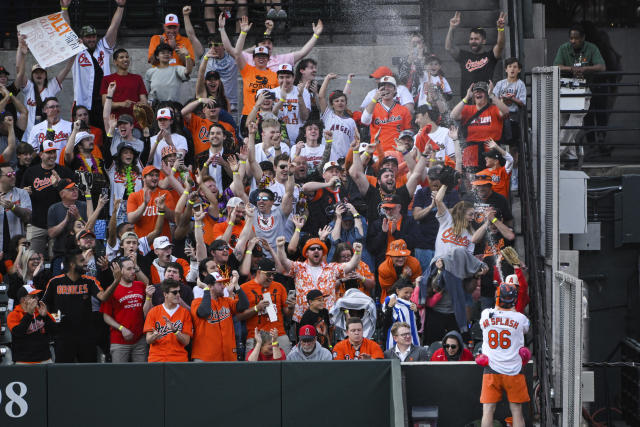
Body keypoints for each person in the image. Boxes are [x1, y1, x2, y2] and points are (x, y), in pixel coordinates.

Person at [42, 249, 118, 362]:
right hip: (63, 336)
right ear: (72, 264)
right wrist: (50, 317)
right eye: (82, 261)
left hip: (86, 336)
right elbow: (44, 304)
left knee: (88, 372)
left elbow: (103, 297)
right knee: (63, 372)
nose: (86, 263)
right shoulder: (54, 282)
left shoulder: (90, 281)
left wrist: (116, 280)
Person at [62, 0, 126, 126]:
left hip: (103, 101)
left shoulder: (103, 47)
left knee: (105, 133)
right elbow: (66, 29)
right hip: (83, 102)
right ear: (82, 37)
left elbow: (114, 27)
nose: (91, 39)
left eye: (93, 36)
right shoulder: (76, 49)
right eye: (87, 37)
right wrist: (64, 8)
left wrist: (120, 6)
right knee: (81, 134)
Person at [477, 282, 531, 427]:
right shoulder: (520, 318)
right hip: (514, 369)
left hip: (491, 369)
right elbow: (526, 328)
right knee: (517, 410)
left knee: (488, 410)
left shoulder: (486, 314)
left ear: (497, 298)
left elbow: (483, 324)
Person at [277, 236, 363, 326]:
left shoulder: (332, 268)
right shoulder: (298, 267)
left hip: (326, 319)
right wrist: (280, 247)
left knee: (327, 340)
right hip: (302, 318)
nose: (316, 250)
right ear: (306, 252)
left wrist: (357, 252)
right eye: (312, 248)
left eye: (319, 248)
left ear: (323, 252)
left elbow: (351, 265)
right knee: (303, 340)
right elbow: (284, 261)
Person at [553, 24, 606, 160]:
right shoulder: (564, 48)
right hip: (566, 88)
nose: (573, 41)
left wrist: (585, 69)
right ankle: (571, 157)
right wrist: (571, 69)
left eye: (576, 38)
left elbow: (601, 67)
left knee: (575, 120)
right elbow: (556, 66)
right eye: (571, 38)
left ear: (583, 38)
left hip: (584, 88)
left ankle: (556, 153)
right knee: (563, 122)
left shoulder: (591, 48)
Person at [20, 139, 73, 257]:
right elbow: (21, 195)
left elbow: (73, 196)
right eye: (49, 152)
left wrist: (59, 184)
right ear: (41, 154)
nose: (52, 155)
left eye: (54, 152)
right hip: (37, 223)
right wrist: (24, 193)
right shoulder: (31, 171)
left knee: (58, 259)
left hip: (59, 224)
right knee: (31, 258)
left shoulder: (64, 172)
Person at [14, 36, 72, 142]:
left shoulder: (51, 87)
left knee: (48, 153)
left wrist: (74, 53)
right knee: (28, 157)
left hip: (48, 132)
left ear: (45, 75)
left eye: (41, 72)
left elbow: (67, 69)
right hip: (29, 134)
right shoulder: (28, 87)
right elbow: (19, 70)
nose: (39, 74)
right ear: (32, 75)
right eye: (36, 72)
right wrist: (21, 52)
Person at [221, 16, 324, 73]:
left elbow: (302, 52)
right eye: (264, 43)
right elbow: (231, 50)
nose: (267, 45)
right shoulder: (249, 59)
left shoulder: (281, 59)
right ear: (256, 47)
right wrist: (222, 29)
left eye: (270, 43)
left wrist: (316, 35)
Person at [450, 81, 509, 174]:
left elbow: (505, 112)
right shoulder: (468, 109)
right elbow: (453, 115)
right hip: (471, 149)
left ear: (486, 94)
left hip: (490, 148)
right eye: (476, 91)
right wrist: (466, 97)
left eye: (481, 91)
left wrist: (492, 95)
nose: (478, 93)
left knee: (492, 178)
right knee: (472, 180)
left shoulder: (494, 108)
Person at [100, 256, 151, 363]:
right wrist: (122, 328)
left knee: (142, 374)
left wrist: (148, 297)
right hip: (119, 342)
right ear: (120, 271)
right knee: (120, 375)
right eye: (129, 269)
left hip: (140, 340)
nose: (133, 272)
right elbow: (106, 317)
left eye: (134, 268)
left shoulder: (140, 285)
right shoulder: (112, 289)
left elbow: (147, 284)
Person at [239, 258, 294, 354]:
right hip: (256, 335)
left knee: (286, 365)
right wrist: (256, 308)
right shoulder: (244, 288)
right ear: (259, 272)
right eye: (268, 274)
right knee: (253, 367)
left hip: (278, 333)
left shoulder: (279, 287)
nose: (271, 277)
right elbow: (238, 316)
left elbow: (287, 314)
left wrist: (291, 307)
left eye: (273, 274)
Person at [191, 271, 249, 362]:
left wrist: (236, 285)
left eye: (223, 283)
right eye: (220, 284)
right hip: (205, 357)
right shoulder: (196, 302)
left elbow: (244, 305)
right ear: (210, 286)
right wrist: (206, 290)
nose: (223, 286)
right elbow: (204, 312)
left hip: (228, 356)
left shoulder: (226, 301)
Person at [412, 166, 461, 271]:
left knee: (443, 278)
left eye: (438, 179)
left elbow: (455, 215)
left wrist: (439, 203)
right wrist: (431, 206)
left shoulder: (452, 193)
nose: (435, 182)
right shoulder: (421, 193)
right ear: (428, 178)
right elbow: (416, 216)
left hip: (445, 244)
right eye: (432, 178)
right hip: (424, 245)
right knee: (424, 278)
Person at [445, 11, 506, 94]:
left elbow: (500, 45)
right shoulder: (464, 56)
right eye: (471, 39)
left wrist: (501, 29)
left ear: (484, 41)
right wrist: (451, 28)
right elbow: (449, 47)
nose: (473, 41)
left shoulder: (490, 56)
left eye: (476, 39)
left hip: (485, 101)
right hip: (467, 101)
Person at [144, 278, 194, 362]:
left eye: (179, 292)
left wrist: (176, 331)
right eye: (174, 292)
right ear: (165, 294)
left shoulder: (185, 313)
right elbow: (148, 340)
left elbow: (186, 342)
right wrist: (154, 336)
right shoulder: (153, 312)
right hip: (156, 359)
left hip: (178, 359)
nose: (178, 295)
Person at [360, 76, 412, 151]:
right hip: (378, 153)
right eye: (383, 87)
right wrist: (375, 99)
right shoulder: (373, 107)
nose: (386, 88)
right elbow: (364, 121)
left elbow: (408, 134)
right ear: (379, 90)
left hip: (398, 152)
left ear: (395, 90)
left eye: (390, 86)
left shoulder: (404, 110)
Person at [47, 179, 88, 274]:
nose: (75, 191)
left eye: (75, 189)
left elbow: (90, 231)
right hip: (61, 255)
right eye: (71, 190)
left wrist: (78, 217)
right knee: (59, 285)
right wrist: (66, 220)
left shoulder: (84, 206)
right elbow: (51, 234)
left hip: (82, 254)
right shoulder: (54, 208)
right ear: (62, 194)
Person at [6, 287, 56, 363]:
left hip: (45, 359)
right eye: (33, 296)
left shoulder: (40, 311)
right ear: (23, 299)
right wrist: (29, 314)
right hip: (23, 361)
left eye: (37, 296)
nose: (37, 298)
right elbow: (18, 333)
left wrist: (45, 316)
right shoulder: (13, 315)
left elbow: (54, 331)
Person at [127, 165, 176, 239]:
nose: (155, 178)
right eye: (151, 175)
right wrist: (145, 204)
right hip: (143, 244)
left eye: (157, 175)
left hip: (162, 245)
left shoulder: (165, 194)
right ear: (143, 178)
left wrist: (163, 208)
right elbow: (131, 220)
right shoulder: (134, 196)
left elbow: (173, 218)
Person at [100, 48, 148, 119]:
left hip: (135, 122)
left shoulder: (137, 78)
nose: (125, 59)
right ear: (115, 62)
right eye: (121, 57)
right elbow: (105, 104)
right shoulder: (107, 79)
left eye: (127, 57)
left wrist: (141, 104)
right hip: (115, 123)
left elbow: (144, 101)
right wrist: (121, 104)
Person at [318, 74, 357, 161]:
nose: (340, 103)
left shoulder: (351, 121)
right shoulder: (328, 115)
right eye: (337, 101)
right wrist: (327, 78)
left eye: (342, 101)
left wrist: (349, 81)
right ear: (332, 104)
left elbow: (354, 143)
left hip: (345, 160)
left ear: (346, 103)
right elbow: (321, 97)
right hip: (328, 159)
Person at [199, 34, 239, 115]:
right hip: (210, 104)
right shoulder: (206, 57)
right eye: (210, 45)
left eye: (216, 45)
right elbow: (200, 74)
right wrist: (206, 58)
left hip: (230, 104)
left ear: (224, 46)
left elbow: (248, 51)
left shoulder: (232, 58)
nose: (213, 48)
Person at [433, 185, 475, 260]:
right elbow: (438, 200)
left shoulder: (472, 233)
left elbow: (469, 258)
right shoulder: (447, 220)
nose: (473, 217)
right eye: (470, 214)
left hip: (458, 270)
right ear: (461, 213)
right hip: (440, 266)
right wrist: (446, 184)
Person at [492, 58, 527, 149]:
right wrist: (501, 99)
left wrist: (511, 98)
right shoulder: (500, 84)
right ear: (506, 69)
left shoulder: (520, 84)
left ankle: (513, 162)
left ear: (519, 70)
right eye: (510, 66)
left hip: (513, 117)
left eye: (515, 67)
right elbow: (493, 98)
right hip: (499, 117)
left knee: (513, 146)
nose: (512, 69)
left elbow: (522, 102)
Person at [273, 64, 311, 144]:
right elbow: (271, 118)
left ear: (293, 78)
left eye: (288, 77)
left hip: (299, 139)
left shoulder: (303, 91)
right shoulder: (272, 93)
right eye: (281, 77)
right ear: (277, 78)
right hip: (279, 140)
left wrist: (300, 96)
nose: (285, 80)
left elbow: (305, 117)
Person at [0, 162, 32, 251]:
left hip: (16, 246)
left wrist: (13, 207)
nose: (13, 177)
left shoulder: (22, 193)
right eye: (9, 175)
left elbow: (27, 216)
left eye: (14, 173)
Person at [381, 279, 420, 351]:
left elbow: (418, 326)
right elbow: (385, 324)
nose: (408, 295)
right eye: (406, 292)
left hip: (411, 341)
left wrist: (416, 312)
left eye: (411, 293)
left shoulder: (411, 305)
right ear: (398, 291)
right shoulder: (391, 303)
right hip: (395, 342)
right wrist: (389, 307)